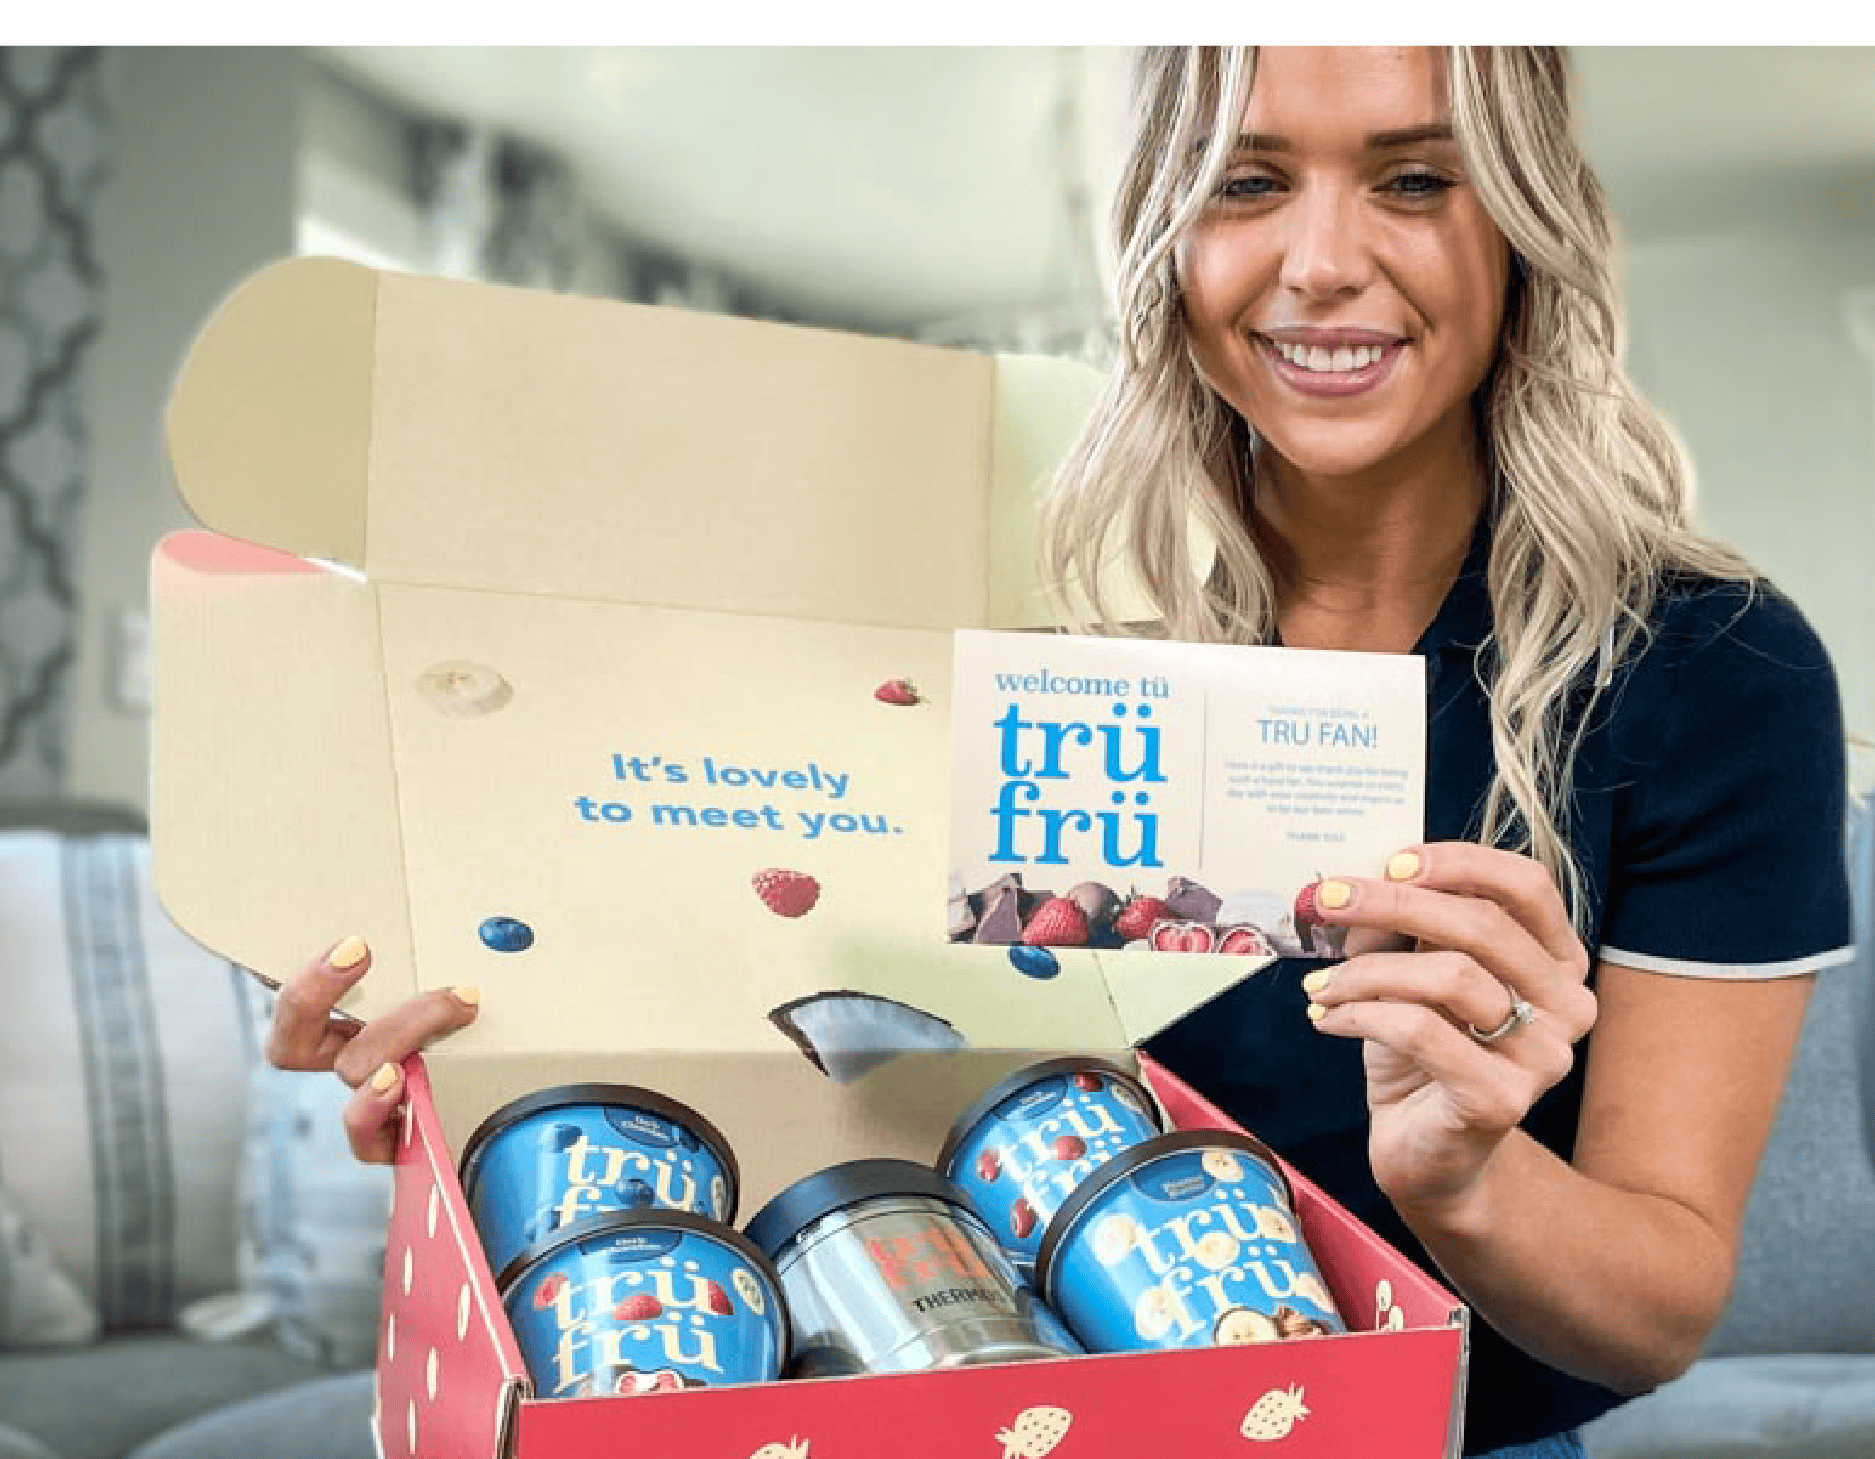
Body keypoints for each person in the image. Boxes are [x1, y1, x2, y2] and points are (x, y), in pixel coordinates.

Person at [264, 45, 1854, 1459]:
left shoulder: (1705, 672)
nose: (1319, 261)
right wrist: (512, 1065)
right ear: (1160, 229)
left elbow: (1654, 1310)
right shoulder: (988, 599)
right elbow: (835, 1053)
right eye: (1243, 180)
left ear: (1522, 218)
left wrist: (1466, 1177)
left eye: (1414, 177)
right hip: (949, 1394)